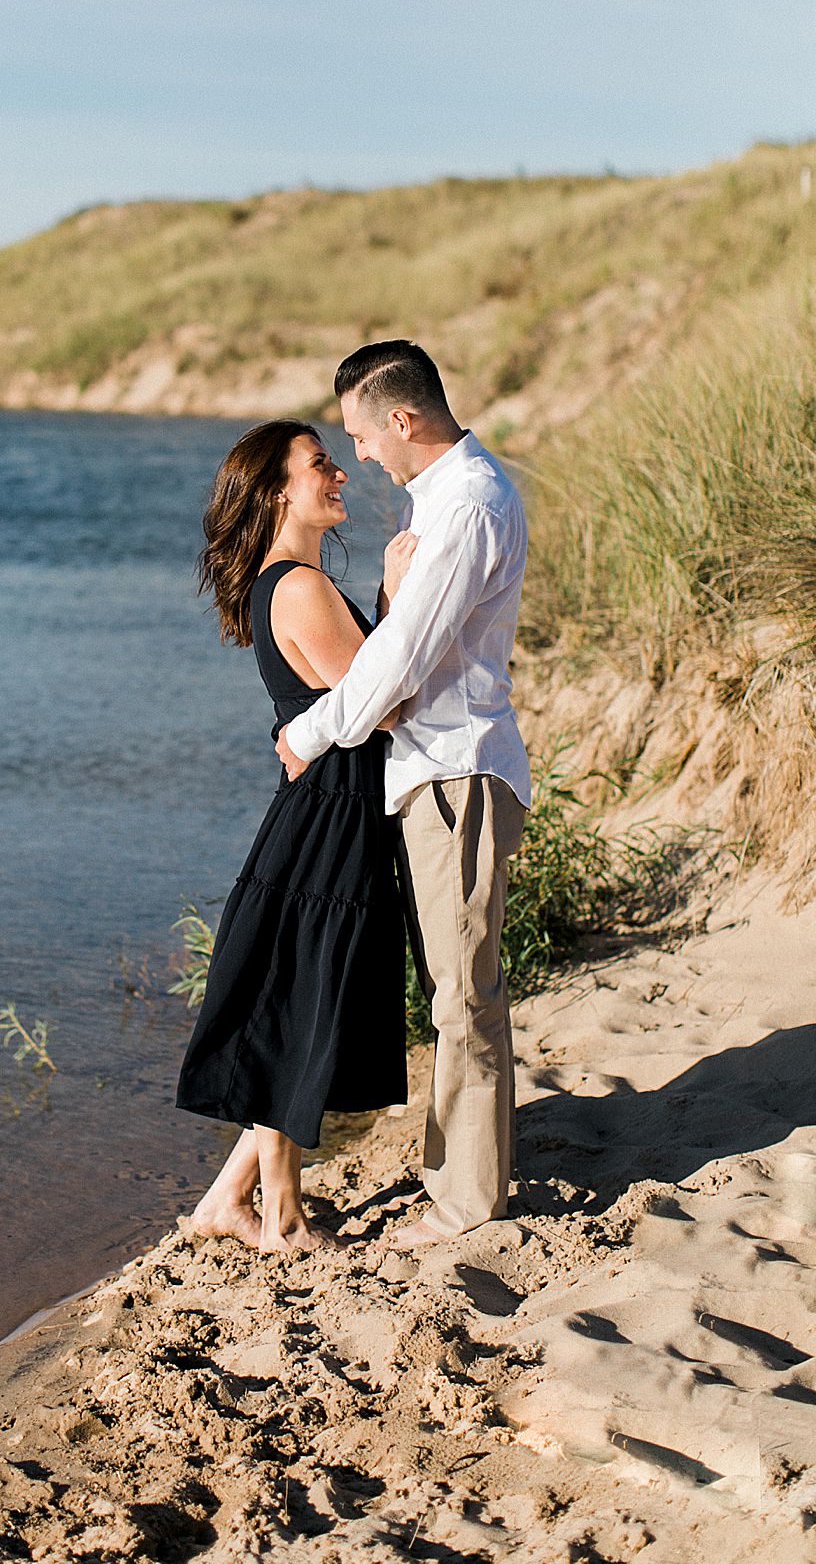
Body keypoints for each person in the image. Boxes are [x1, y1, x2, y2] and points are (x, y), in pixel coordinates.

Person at [276, 341, 530, 1247]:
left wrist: (307, 734)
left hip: (457, 771)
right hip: (440, 768)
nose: (359, 456)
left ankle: (468, 1204)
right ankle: (464, 1179)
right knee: (456, 988)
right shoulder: (446, 498)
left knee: (463, 996)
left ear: (401, 419)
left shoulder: (467, 506)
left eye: (361, 436)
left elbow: (400, 661)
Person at [176, 419, 413, 1253]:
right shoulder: (301, 588)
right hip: (330, 818)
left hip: (327, 809)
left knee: (299, 1001)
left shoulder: (287, 582)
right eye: (321, 464)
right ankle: (281, 1217)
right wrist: (393, 600)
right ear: (279, 491)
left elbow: (354, 695)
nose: (340, 474)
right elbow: (383, 705)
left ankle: (226, 1202)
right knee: (297, 1005)